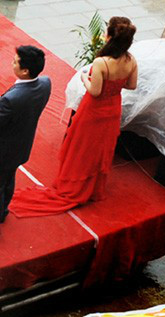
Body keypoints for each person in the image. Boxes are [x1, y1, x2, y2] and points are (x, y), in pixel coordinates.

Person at [9, 17, 138, 216]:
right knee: (100, 149)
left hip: (94, 110)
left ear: (111, 37)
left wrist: (84, 78)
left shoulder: (102, 62)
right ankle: (92, 187)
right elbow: (131, 85)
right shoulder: (131, 61)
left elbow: (94, 91)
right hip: (113, 109)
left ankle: (75, 184)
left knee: (82, 147)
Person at [0, 45, 51, 241]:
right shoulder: (45, 83)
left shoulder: (13, 99)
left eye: (15, 62)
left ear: (25, 71)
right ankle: (2, 210)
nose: (11, 63)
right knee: (8, 180)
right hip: (20, 147)